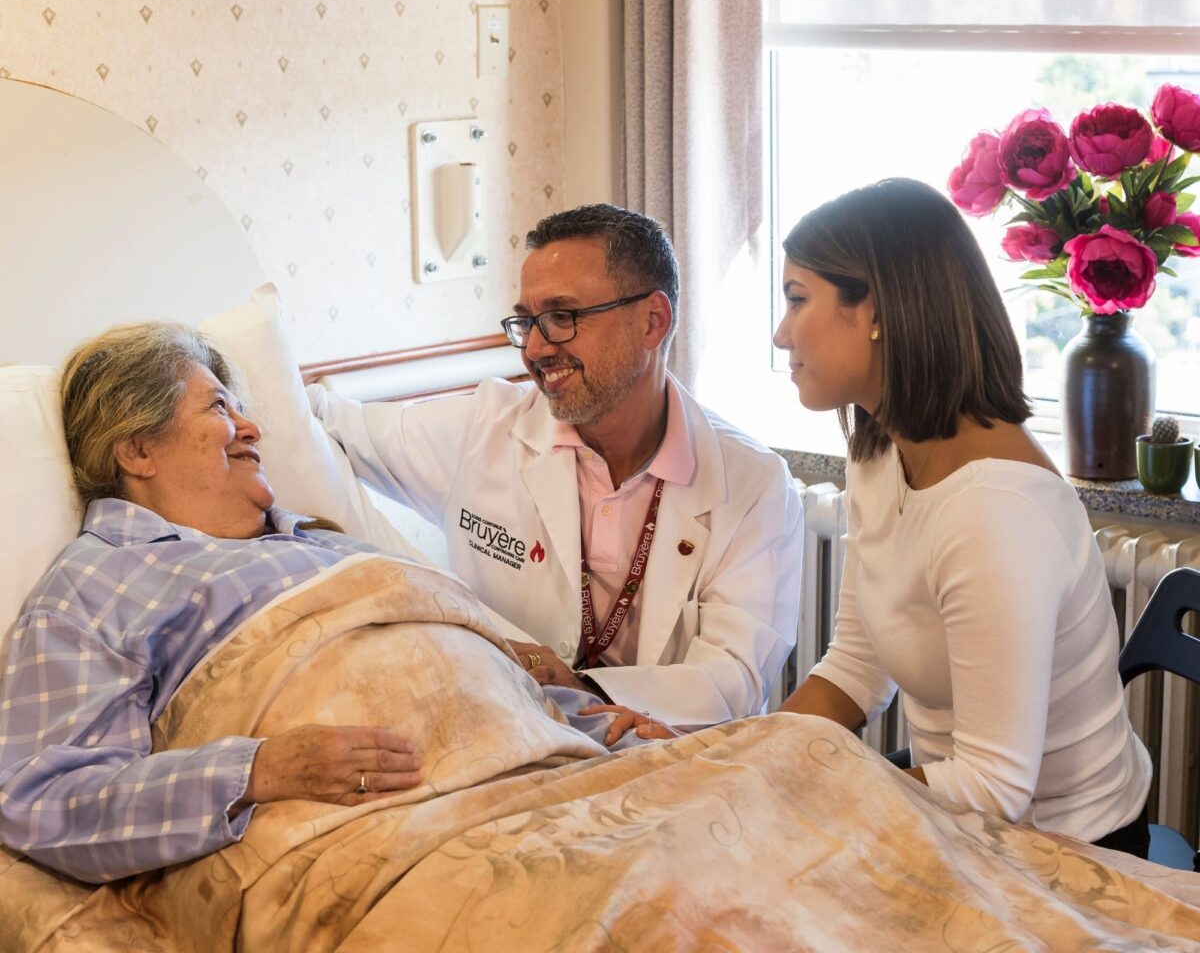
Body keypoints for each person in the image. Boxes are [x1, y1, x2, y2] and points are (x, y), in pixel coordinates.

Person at [309, 204, 803, 733]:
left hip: (661, 755)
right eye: (526, 322)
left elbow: (733, 677)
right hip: (514, 741)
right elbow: (323, 421)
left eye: (563, 317)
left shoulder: (752, 485)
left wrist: (581, 687)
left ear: (652, 322)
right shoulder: (483, 429)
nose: (537, 349)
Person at [771, 177, 1151, 856]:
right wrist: (741, 758)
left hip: (1071, 850)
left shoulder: (994, 513)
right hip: (965, 817)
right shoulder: (880, 447)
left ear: (876, 309)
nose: (780, 334)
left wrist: (823, 792)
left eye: (798, 299)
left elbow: (997, 785)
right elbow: (856, 668)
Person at [0, 323, 433, 883]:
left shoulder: (322, 540)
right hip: (382, 829)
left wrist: (519, 663)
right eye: (220, 407)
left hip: (535, 762)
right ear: (138, 450)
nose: (252, 428)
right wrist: (257, 769)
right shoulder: (95, 582)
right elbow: (43, 797)